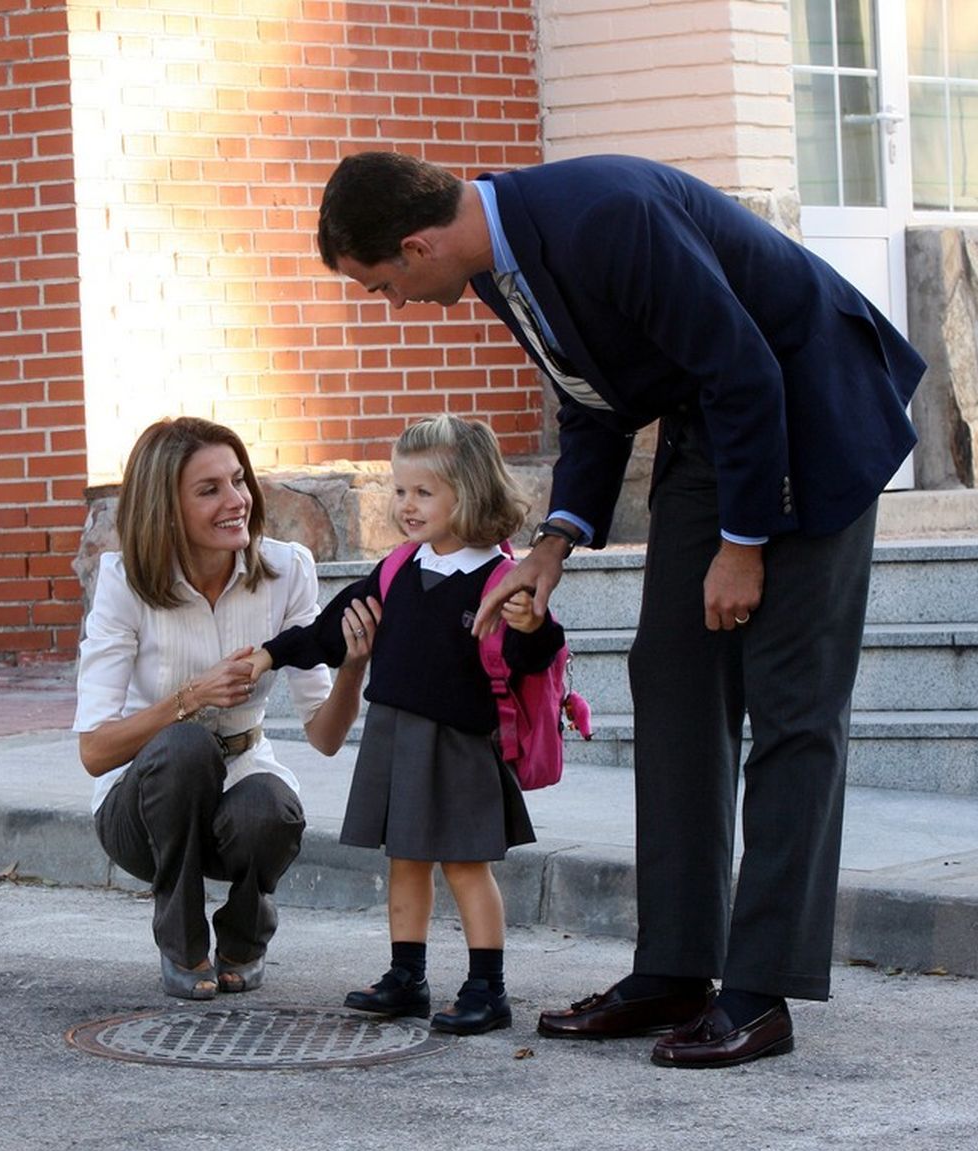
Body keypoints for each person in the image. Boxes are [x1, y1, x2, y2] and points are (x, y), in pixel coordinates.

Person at [313, 151, 927, 1066]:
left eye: (383, 285)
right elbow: (589, 401)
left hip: (811, 410)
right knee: (674, 682)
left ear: (417, 242)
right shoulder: (495, 262)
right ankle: (676, 969)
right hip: (716, 420)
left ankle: (760, 994)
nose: (393, 303)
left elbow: (748, 366)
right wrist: (549, 550)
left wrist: (744, 544)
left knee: (793, 707)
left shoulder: (604, 215)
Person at [247, 415, 565, 1035]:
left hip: (459, 745)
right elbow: (330, 628)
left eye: (424, 492)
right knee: (405, 863)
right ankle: (406, 976)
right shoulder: (397, 570)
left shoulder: (501, 581)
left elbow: (535, 652)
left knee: (467, 866)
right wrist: (270, 653)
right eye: (399, 490)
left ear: (469, 494)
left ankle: (487, 987)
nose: (406, 505)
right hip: (395, 737)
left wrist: (531, 626)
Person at [73, 416, 374, 1001]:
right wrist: (192, 697)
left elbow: (326, 736)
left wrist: (354, 666)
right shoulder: (125, 581)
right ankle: (182, 946)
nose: (237, 501)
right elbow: (94, 751)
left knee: (273, 807)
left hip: (239, 780)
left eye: (238, 481)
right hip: (140, 811)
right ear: (165, 508)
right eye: (209, 490)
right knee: (184, 747)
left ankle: (243, 938)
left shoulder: (287, 570)